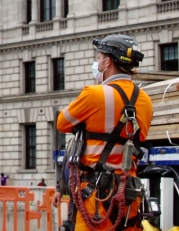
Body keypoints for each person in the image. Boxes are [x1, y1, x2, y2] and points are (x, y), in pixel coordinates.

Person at [54, 35, 153, 231]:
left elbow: (62, 123)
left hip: (96, 196)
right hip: (129, 194)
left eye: (99, 57)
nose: (97, 62)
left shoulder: (94, 94)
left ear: (107, 62)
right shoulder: (145, 100)